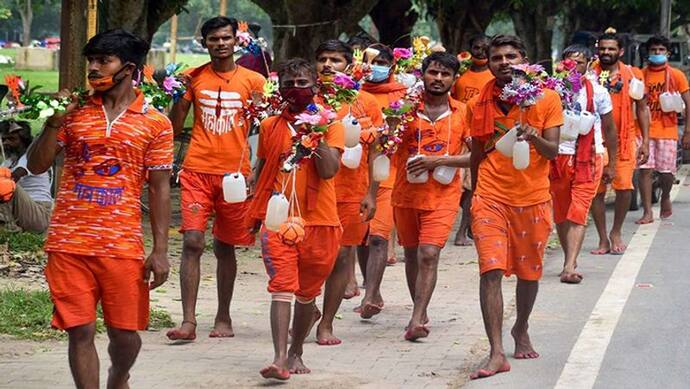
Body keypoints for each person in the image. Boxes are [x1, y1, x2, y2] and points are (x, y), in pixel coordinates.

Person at [26, 29, 172, 389]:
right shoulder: (72, 114)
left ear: (128, 68)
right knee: (81, 330)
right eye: (90, 61)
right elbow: (38, 165)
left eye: (103, 61)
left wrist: (161, 250)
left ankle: (118, 375)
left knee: (125, 336)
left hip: (121, 246)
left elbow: (159, 188)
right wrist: (54, 121)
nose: (93, 68)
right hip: (68, 242)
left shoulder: (155, 122)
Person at [467, 35, 562, 379]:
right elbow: (478, 153)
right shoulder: (479, 103)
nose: (504, 62)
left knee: (528, 275)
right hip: (490, 195)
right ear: (488, 63)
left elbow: (552, 151)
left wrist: (532, 135)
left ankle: (520, 327)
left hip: (533, 198)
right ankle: (495, 352)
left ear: (525, 59)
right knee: (490, 270)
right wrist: (471, 202)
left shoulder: (548, 98)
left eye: (511, 56)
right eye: (496, 57)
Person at [167, 16, 265, 341]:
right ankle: (188, 321)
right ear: (204, 43)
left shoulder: (254, 80)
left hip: (235, 176)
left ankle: (223, 315)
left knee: (225, 247)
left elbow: (262, 128)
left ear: (236, 41)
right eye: (213, 39)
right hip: (196, 170)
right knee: (192, 242)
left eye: (226, 38)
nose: (220, 44)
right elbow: (175, 124)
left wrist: (257, 171)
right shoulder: (191, 78)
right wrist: (179, 95)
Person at [248, 58, 344, 380]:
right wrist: (255, 210)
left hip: (321, 221)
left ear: (315, 87)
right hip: (278, 220)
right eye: (289, 83)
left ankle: (296, 350)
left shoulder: (331, 123)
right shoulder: (269, 125)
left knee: (306, 295)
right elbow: (264, 170)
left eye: (303, 83)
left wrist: (313, 132)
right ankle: (278, 358)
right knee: (281, 287)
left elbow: (329, 169)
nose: (296, 89)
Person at [393, 51, 470, 341]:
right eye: (433, 73)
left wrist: (439, 162)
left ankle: (416, 319)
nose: (438, 79)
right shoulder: (404, 109)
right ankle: (419, 309)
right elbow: (385, 145)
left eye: (445, 74)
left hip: (444, 194)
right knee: (412, 254)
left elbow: (476, 155)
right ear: (422, 74)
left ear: (454, 79)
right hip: (406, 193)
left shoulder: (464, 112)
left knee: (429, 253)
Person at [312, 40, 382, 346]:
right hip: (311, 192)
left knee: (341, 257)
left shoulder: (366, 102)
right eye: (323, 59)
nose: (328, 65)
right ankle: (308, 308)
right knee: (313, 258)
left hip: (352, 192)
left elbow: (378, 151)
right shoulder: (306, 99)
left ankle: (326, 323)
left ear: (348, 65)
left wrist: (372, 193)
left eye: (336, 60)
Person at [550, 45, 617, 284]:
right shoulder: (552, 91)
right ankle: (570, 258)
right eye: (569, 62)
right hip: (558, 157)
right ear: (562, 64)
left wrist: (613, 164)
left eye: (579, 63)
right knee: (560, 213)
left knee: (578, 211)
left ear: (589, 64)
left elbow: (609, 129)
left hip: (590, 157)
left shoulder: (598, 92)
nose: (574, 67)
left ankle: (569, 266)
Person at [357, 43, 408, 319]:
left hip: (389, 174)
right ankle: (369, 286)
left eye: (381, 61)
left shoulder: (404, 95)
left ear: (392, 65)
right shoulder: (351, 93)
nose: (374, 66)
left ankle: (370, 294)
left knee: (377, 237)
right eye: (369, 61)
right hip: (354, 177)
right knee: (359, 239)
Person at [590, 30, 650, 254]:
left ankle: (616, 231)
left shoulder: (632, 75)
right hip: (595, 141)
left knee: (624, 187)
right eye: (602, 48)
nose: (606, 52)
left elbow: (643, 109)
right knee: (597, 191)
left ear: (620, 51)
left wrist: (645, 142)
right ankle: (602, 238)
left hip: (624, 141)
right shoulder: (589, 75)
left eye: (611, 48)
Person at [638, 34, 690, 223]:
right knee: (645, 170)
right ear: (648, 53)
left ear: (667, 53)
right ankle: (647, 211)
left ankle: (665, 195)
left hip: (668, 129)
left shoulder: (677, 75)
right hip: (643, 130)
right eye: (653, 50)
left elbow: (688, 103)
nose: (657, 53)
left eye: (661, 50)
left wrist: (688, 133)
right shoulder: (640, 74)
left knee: (667, 172)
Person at [452, 34, 494, 247]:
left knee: (470, 187)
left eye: (485, 48)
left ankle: (462, 232)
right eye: (476, 47)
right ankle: (468, 227)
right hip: (458, 135)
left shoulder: (492, 76)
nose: (480, 52)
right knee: (458, 186)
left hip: (479, 137)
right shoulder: (460, 76)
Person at [0, 121, 53, 232]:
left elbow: (14, 177)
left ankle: (9, 229)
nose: (6, 143)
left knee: (5, 185)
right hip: (22, 212)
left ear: (24, 141)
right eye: (3, 140)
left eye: (12, 139)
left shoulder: (31, 158)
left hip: (39, 213)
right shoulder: (9, 162)